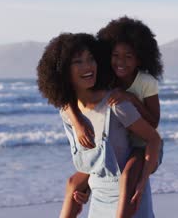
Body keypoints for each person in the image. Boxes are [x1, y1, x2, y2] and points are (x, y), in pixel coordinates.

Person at [36, 33, 161, 218]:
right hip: (99, 200)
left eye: (91, 59)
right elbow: (91, 165)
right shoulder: (67, 113)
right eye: (78, 61)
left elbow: (153, 138)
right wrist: (86, 188)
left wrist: (143, 179)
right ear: (62, 70)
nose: (87, 66)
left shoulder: (115, 105)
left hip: (130, 198)